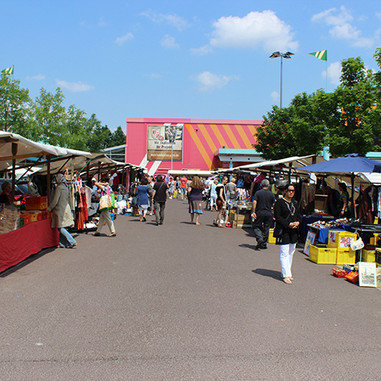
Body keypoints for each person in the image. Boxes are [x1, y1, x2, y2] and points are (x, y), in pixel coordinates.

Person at [273, 184, 300, 284]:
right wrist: (288, 224)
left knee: (291, 251)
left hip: (293, 231)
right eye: (289, 190)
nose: (291, 192)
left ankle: (287, 271)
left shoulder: (295, 203)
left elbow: (298, 214)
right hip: (283, 230)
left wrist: (298, 222)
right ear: (285, 191)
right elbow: (278, 216)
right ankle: (286, 275)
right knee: (284, 252)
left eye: (293, 190)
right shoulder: (279, 202)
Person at [47, 173, 77, 249]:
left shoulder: (59, 188)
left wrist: (49, 208)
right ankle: (62, 243)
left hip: (60, 210)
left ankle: (72, 241)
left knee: (60, 227)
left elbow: (55, 200)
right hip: (66, 208)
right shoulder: (66, 187)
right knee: (62, 226)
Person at [251, 179, 275, 250]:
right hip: (268, 213)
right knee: (266, 228)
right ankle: (264, 243)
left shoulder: (258, 193)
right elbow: (274, 204)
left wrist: (253, 211)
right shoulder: (271, 194)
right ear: (268, 185)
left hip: (260, 212)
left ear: (261, 185)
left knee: (256, 226)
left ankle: (260, 239)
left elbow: (254, 202)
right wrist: (273, 212)